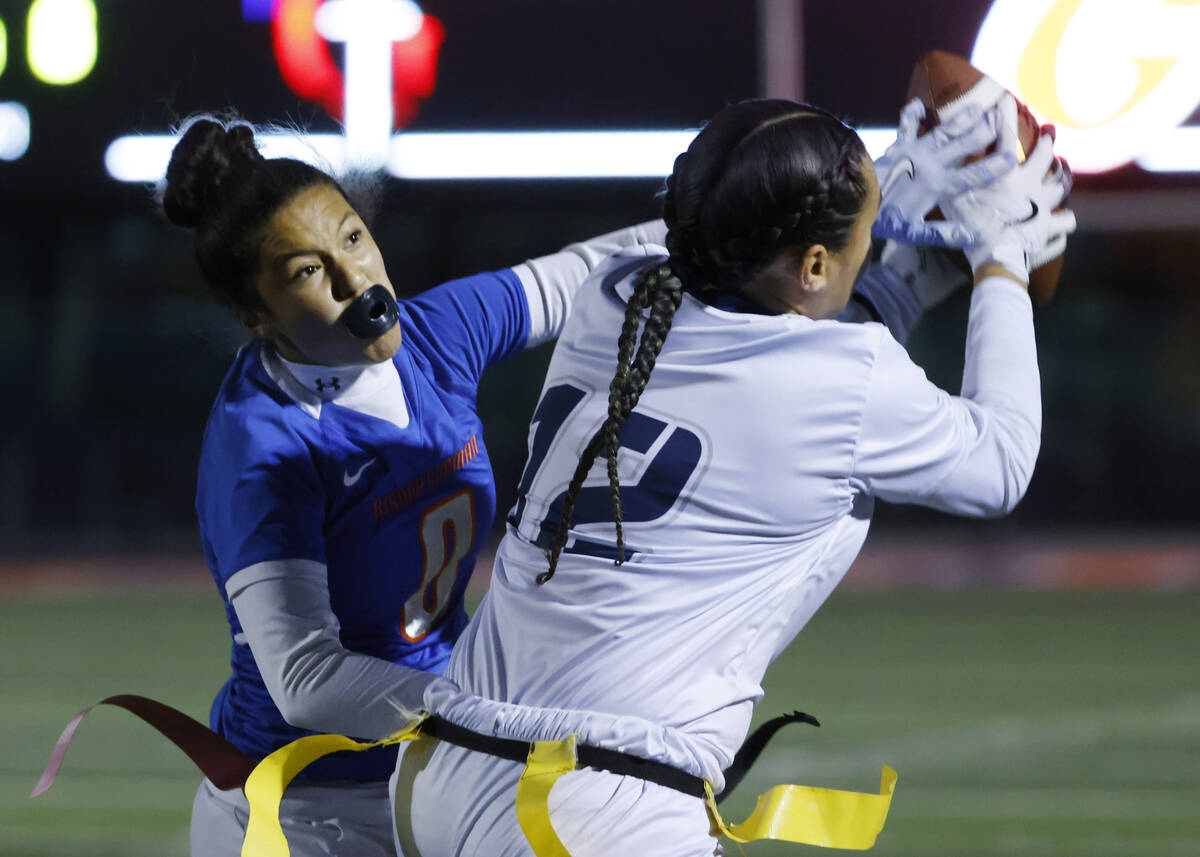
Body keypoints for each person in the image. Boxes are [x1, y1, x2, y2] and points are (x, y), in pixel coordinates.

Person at [388, 96, 1074, 856]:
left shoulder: (615, 291)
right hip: (593, 809)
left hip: (443, 768)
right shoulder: (845, 378)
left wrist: (889, 270)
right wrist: (1000, 257)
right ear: (811, 264)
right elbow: (1001, 461)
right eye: (863, 234)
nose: (874, 237)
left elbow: (787, 373)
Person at [158, 115, 671, 857]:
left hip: (430, 773)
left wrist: (740, 223)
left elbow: (592, 270)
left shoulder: (434, 338)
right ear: (256, 317)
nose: (353, 280)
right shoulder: (264, 445)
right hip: (301, 812)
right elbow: (304, 678)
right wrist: (490, 716)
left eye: (353, 238)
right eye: (306, 271)